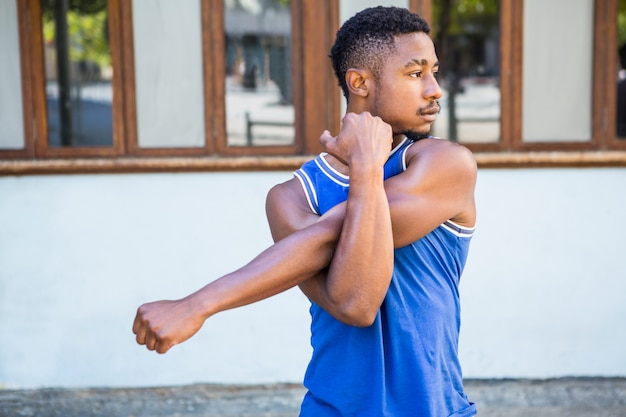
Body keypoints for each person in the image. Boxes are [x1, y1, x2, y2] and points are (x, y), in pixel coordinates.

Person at [133, 6, 477, 417]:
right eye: (416, 73)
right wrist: (366, 167)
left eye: (434, 72)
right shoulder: (292, 198)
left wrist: (198, 304)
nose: (434, 89)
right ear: (360, 82)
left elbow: (345, 270)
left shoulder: (444, 165)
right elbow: (352, 302)